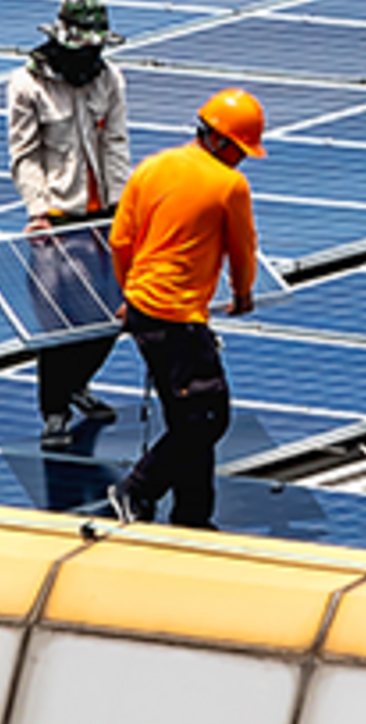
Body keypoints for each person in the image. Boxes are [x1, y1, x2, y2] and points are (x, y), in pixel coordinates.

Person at [106, 87, 265, 529]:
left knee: (187, 413)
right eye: (240, 150)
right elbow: (243, 250)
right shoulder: (229, 185)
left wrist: (130, 293)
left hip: (144, 310)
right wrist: (243, 294)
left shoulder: (152, 167)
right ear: (219, 140)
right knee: (207, 419)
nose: (241, 160)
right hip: (177, 317)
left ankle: (193, 515)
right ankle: (136, 490)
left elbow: (120, 240)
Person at [7, 0, 132, 446]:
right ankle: (54, 411)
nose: (92, 57)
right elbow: (25, 155)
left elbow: (115, 143)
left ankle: (78, 384)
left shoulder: (109, 79)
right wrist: (38, 212)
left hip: (105, 216)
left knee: (117, 311)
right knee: (60, 324)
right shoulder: (27, 85)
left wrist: (123, 206)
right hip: (59, 218)